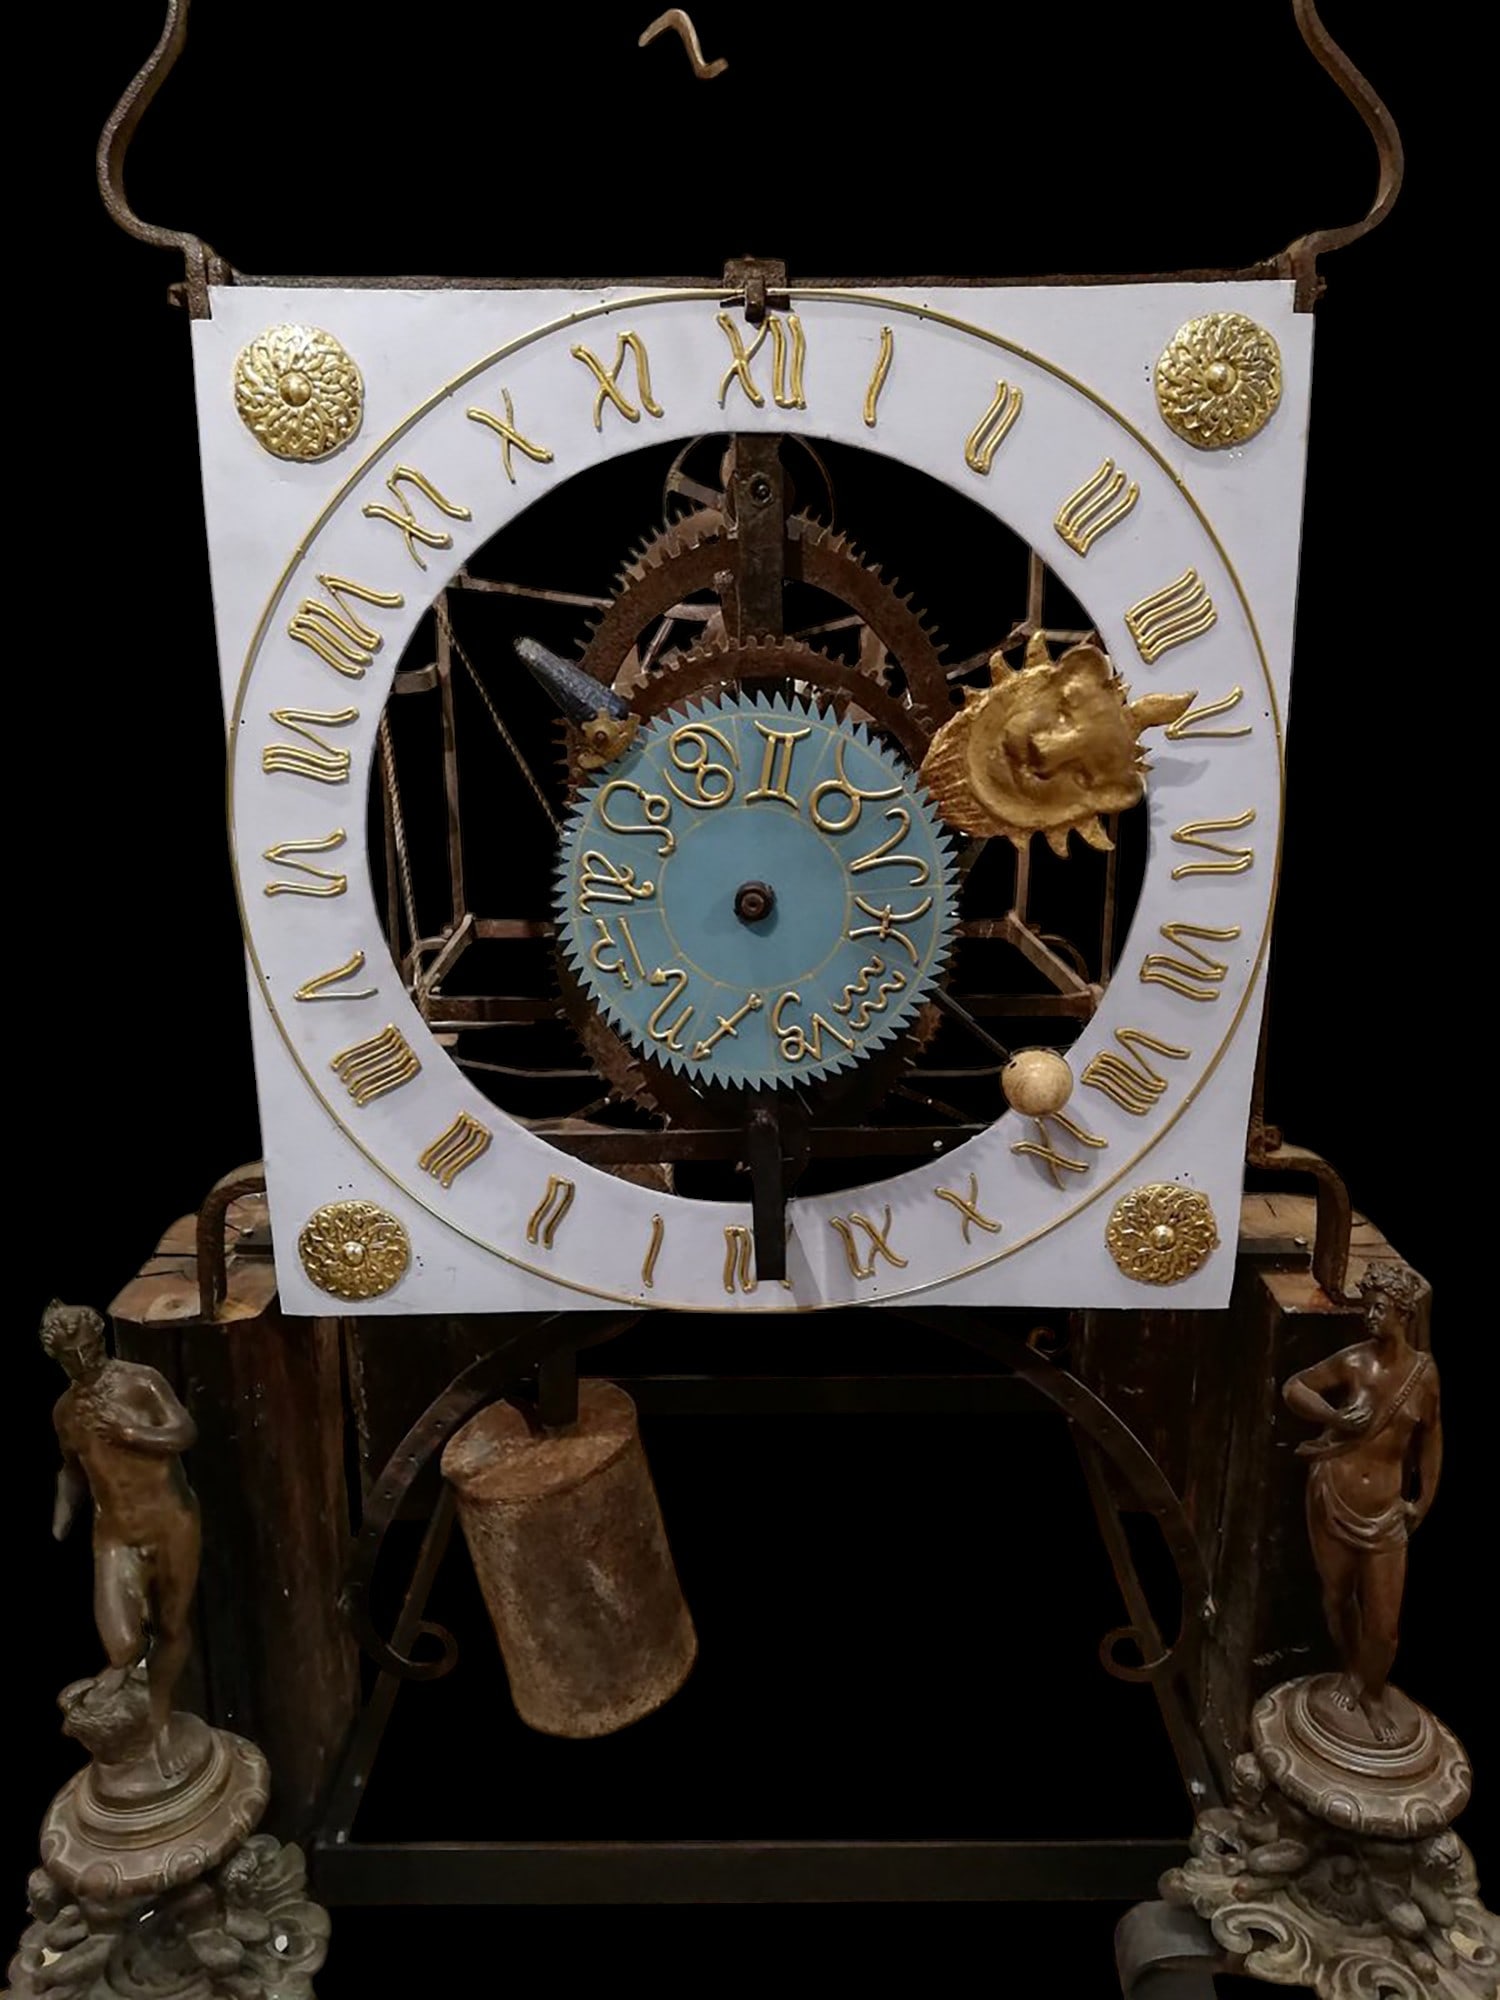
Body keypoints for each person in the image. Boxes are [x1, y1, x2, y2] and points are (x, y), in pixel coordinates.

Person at [1282, 1263, 1442, 1742]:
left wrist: (1421, 1502)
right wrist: (1335, 1416)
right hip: (1333, 1493)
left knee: (1384, 1624)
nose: (1371, 1316)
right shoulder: (1353, 1363)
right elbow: (1295, 1387)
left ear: (1404, 1314)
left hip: (1386, 1512)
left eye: (1381, 1308)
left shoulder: (1424, 1376)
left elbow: (1431, 1444)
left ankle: (1373, 1692)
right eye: (1367, 1306)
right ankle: (1352, 1674)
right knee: (1336, 1597)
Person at [42, 1301, 202, 1774]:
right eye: (71, 1357)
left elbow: (184, 1432)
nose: (84, 1362)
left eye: (89, 1349)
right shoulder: (66, 1412)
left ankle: (160, 1720)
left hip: (171, 1522)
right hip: (114, 1534)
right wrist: (62, 1511)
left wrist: (130, 1431)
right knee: (122, 1644)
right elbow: (72, 1470)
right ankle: (126, 1684)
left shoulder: (141, 1381)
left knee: (172, 1629)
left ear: (100, 1341)